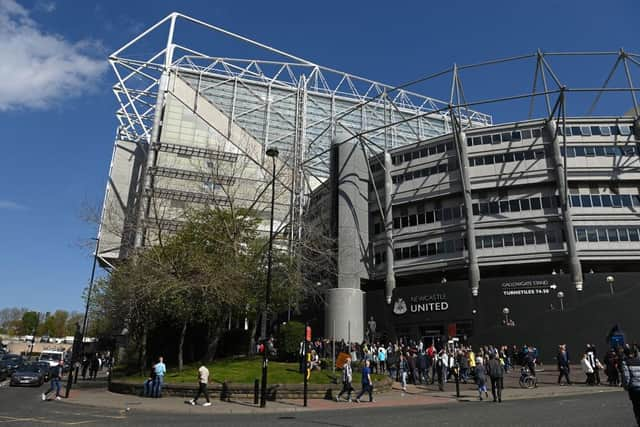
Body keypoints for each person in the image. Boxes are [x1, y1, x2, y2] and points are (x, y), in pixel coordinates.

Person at [622, 347, 640, 425]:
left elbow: (626, 377)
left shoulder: (626, 362)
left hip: (634, 388)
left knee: (636, 406)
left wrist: (626, 386)